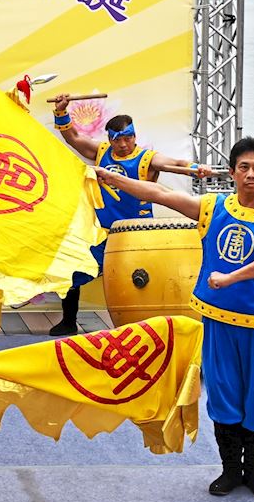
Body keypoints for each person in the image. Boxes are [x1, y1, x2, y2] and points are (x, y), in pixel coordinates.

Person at [95, 137, 254, 499]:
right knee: (223, 393)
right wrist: (114, 179)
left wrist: (231, 277)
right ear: (233, 173)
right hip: (219, 320)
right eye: (244, 167)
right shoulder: (213, 208)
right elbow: (160, 194)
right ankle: (230, 470)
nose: (251, 174)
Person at [48, 97, 215, 335]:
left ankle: (147, 329)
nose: (123, 144)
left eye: (128, 138)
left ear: (135, 136)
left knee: (141, 282)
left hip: (136, 237)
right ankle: (68, 321)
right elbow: (74, 137)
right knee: (72, 272)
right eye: (117, 139)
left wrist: (195, 168)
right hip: (101, 232)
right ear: (109, 140)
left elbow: (175, 163)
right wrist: (61, 111)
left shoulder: (147, 159)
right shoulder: (101, 152)